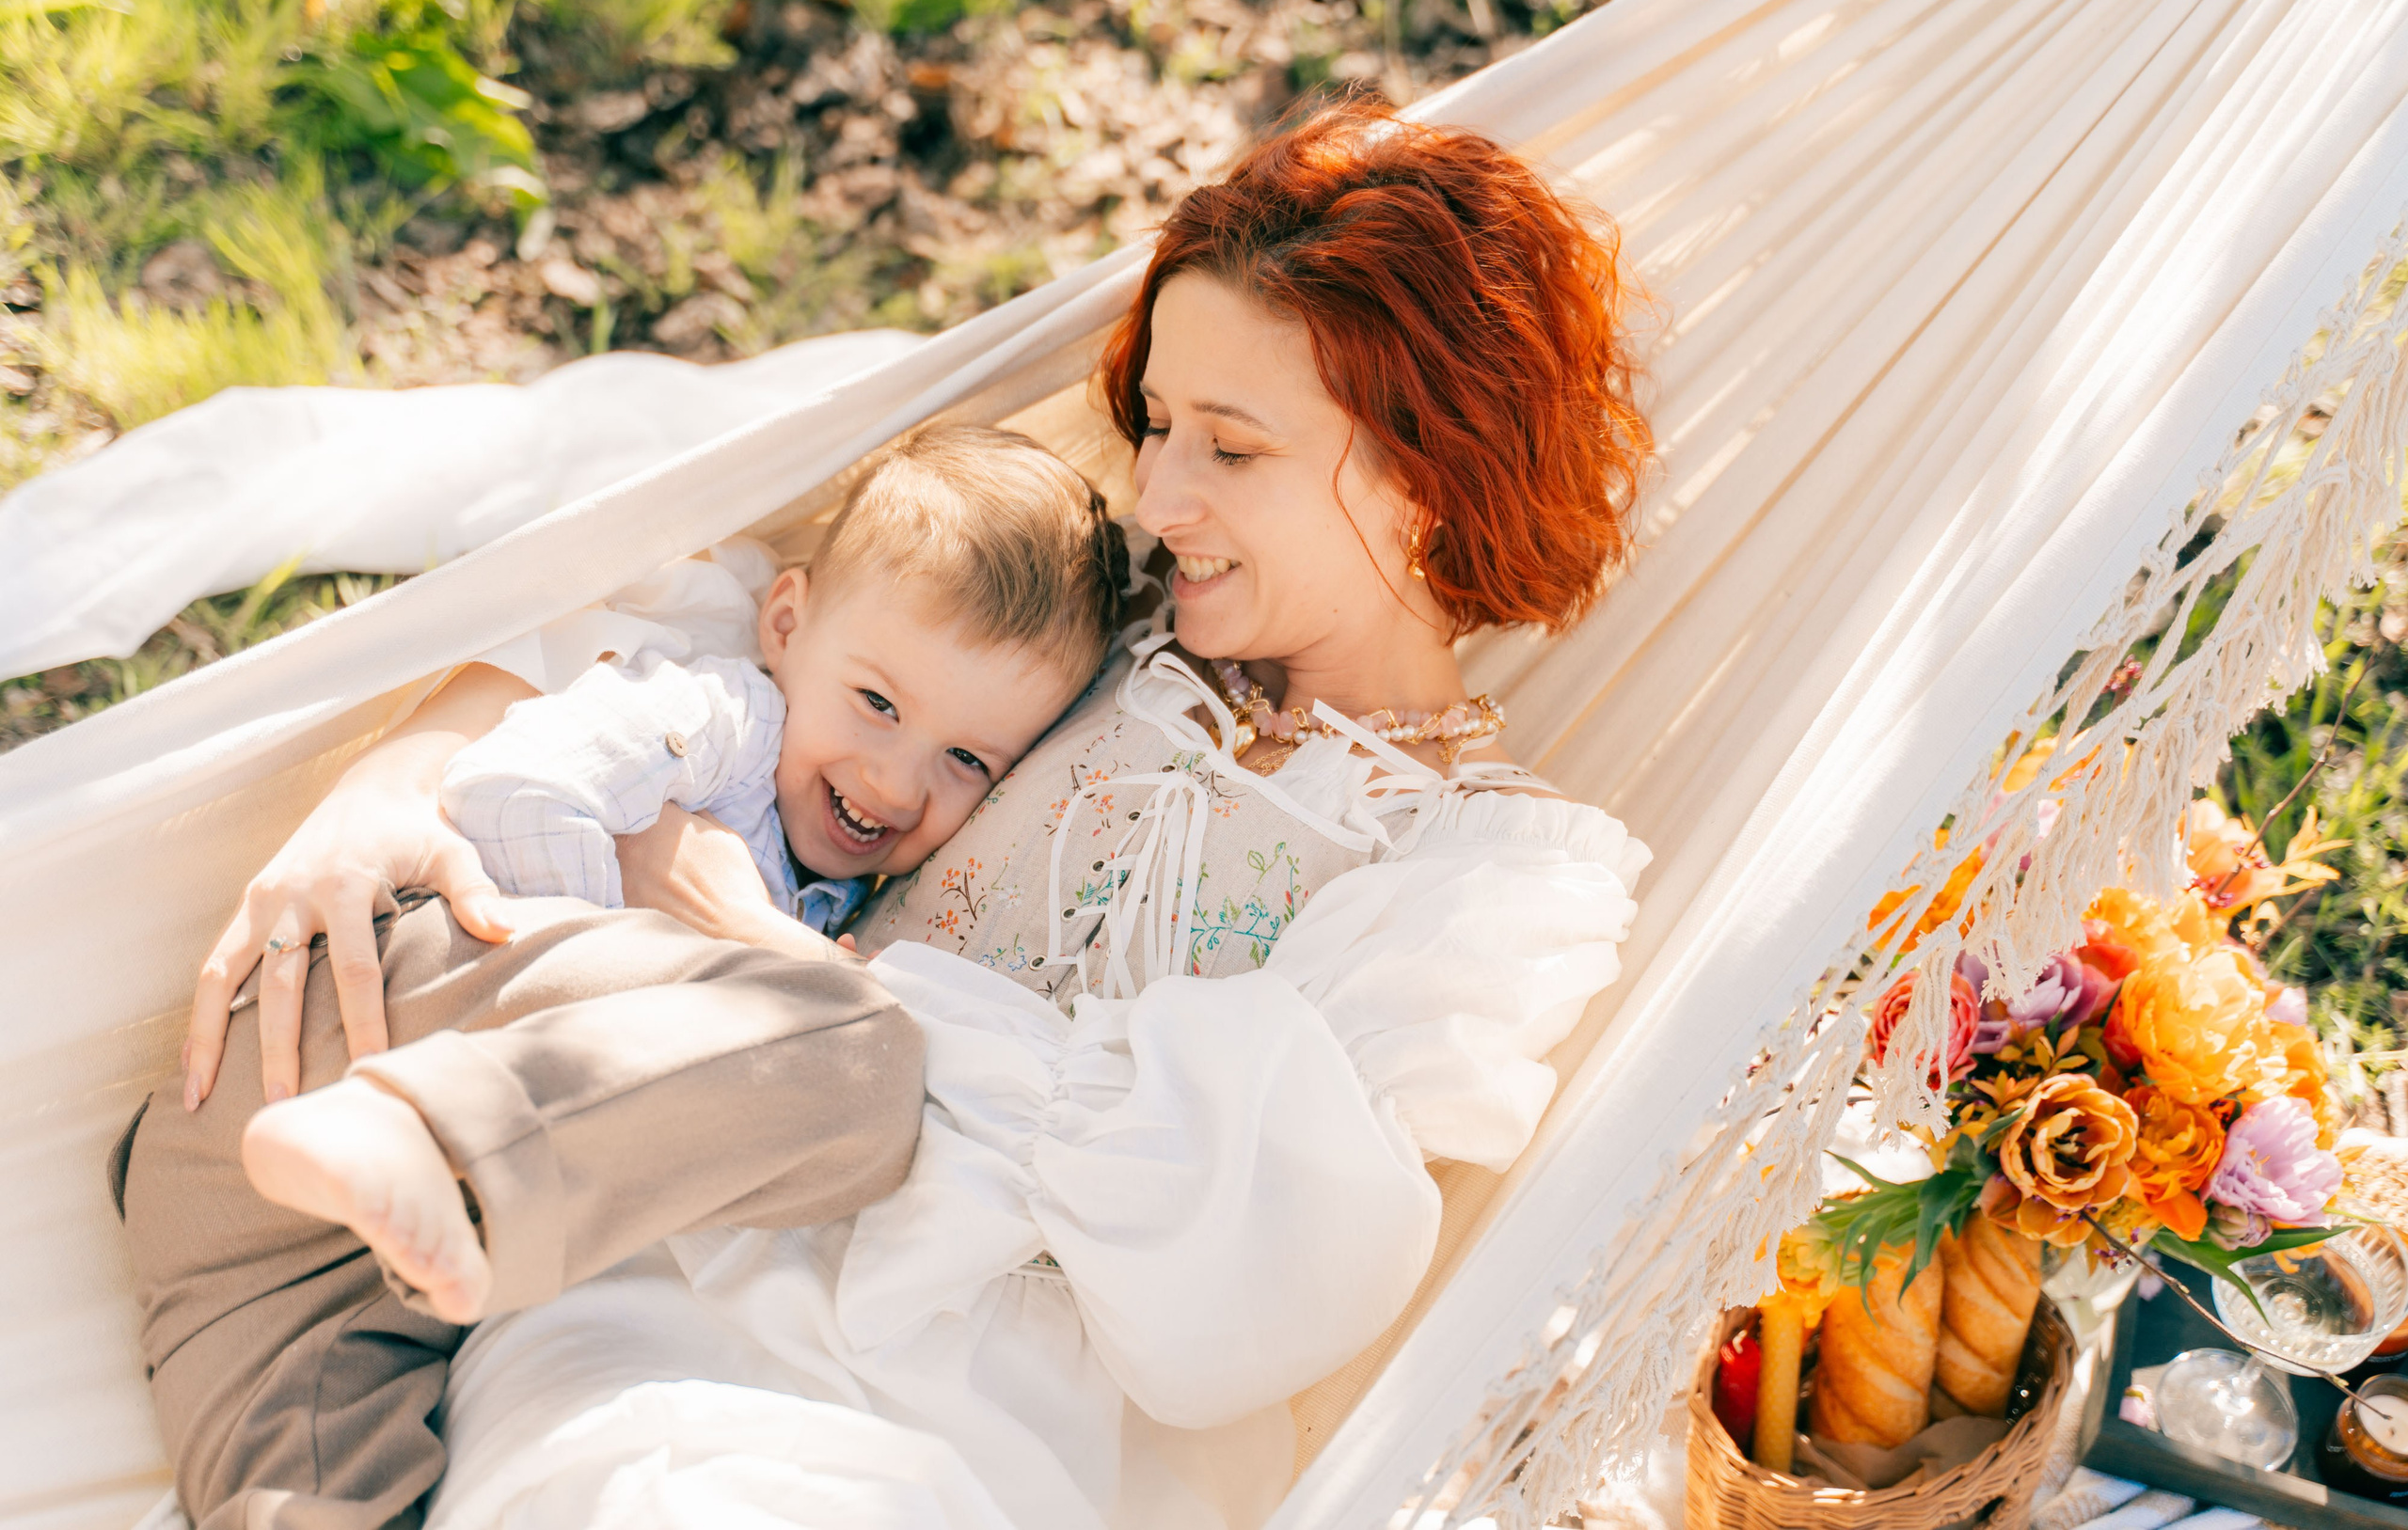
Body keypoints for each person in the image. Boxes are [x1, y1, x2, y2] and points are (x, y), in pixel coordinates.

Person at [162, 96, 1656, 1530]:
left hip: (999, 1401)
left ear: (1426, 473)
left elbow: (1240, 1300)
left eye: (1232, 445)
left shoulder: (1481, 877)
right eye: (1154, 426)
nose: (1155, 495)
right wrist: (384, 780)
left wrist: (804, 968)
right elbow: (696, 632)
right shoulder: (1088, 620)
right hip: (675, 1254)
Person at [119, 430, 1129, 1528]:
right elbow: (514, 790)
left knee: (314, 1503)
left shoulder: (837, 877)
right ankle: (422, 1134)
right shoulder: (722, 721)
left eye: (966, 761)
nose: (895, 778)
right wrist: (697, 955)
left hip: (258, 1251)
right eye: (879, 704)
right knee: (865, 1055)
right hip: (362, 1036)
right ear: (786, 625)